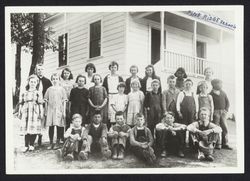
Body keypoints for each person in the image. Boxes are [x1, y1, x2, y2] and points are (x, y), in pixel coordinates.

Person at [18, 75, 43, 152]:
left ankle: (32, 144)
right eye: (31, 82)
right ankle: (26, 145)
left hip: (35, 111)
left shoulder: (38, 93)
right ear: (28, 82)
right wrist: (20, 111)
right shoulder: (24, 92)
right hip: (26, 111)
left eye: (34, 82)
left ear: (37, 83)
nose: (32, 83)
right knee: (26, 128)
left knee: (34, 128)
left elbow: (40, 103)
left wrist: (41, 112)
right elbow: (21, 103)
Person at [44, 73, 67, 150]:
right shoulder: (49, 89)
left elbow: (64, 101)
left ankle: (57, 142)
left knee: (59, 126)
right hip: (51, 110)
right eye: (53, 79)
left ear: (59, 80)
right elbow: (46, 100)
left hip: (59, 109)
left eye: (56, 79)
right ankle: (51, 143)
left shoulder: (62, 89)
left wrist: (64, 111)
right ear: (51, 80)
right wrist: (46, 110)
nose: (55, 80)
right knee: (51, 126)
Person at [210, 79, 232, 150]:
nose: (220, 85)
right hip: (215, 112)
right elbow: (210, 104)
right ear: (214, 85)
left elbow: (227, 102)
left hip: (223, 112)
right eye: (219, 84)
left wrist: (226, 110)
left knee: (224, 128)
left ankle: (225, 143)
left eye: (221, 84)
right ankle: (216, 143)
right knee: (216, 128)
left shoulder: (223, 93)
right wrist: (212, 112)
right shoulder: (211, 94)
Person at [176, 79, 199, 147]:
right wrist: (179, 112)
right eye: (186, 84)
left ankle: (192, 144)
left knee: (191, 128)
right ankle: (182, 144)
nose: (188, 85)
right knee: (183, 128)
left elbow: (196, 104)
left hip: (192, 114)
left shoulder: (193, 93)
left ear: (191, 85)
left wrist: (197, 112)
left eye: (189, 84)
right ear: (184, 85)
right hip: (183, 114)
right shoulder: (181, 93)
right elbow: (178, 103)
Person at [35, 64, 52, 147]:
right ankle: (32, 138)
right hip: (35, 104)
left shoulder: (47, 81)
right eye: (38, 69)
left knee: (42, 120)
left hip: (44, 104)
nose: (40, 71)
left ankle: (40, 137)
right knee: (35, 120)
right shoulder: (33, 79)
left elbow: (51, 93)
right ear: (36, 70)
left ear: (43, 70)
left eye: (41, 69)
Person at [102, 61, 124, 129]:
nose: (113, 69)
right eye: (112, 67)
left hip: (117, 96)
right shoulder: (107, 77)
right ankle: (109, 129)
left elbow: (122, 87)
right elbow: (104, 88)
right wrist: (106, 96)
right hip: (109, 96)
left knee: (117, 111)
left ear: (117, 68)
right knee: (109, 113)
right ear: (110, 68)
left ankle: (118, 128)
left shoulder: (119, 77)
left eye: (115, 67)